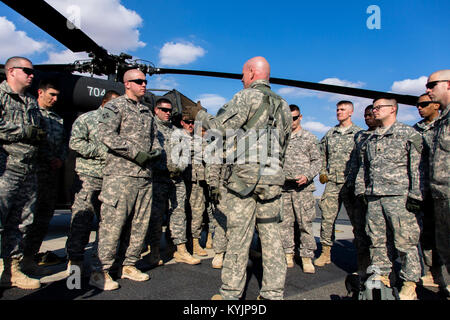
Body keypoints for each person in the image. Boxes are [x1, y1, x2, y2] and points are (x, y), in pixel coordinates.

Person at [186, 56, 292, 300]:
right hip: (273, 179)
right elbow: (284, 144)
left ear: (252, 73)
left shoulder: (245, 97)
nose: (242, 79)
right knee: (272, 239)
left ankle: (231, 294)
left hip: (245, 180)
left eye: (243, 74)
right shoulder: (284, 105)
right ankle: (273, 294)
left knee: (239, 238)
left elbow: (218, 128)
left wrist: (199, 114)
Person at [89, 69, 161, 290]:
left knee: (139, 224)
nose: (144, 85)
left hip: (144, 177)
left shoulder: (147, 112)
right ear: (127, 84)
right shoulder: (115, 106)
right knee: (113, 225)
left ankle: (128, 264)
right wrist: (135, 153)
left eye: (145, 81)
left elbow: (155, 139)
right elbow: (106, 135)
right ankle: (99, 271)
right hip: (121, 176)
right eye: (138, 81)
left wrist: (155, 151)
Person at [356, 97, 423, 300]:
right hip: (375, 196)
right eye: (373, 108)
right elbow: (363, 168)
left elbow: (416, 167)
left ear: (392, 109)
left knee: (405, 242)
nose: (374, 111)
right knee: (376, 241)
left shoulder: (408, 134)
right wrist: (362, 190)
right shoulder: (370, 138)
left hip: (399, 197)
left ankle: (410, 282)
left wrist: (415, 194)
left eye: (378, 107)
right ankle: (382, 275)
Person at [0, 56, 44, 289]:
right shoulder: (1, 95)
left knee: (22, 222)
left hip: (28, 169)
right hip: (5, 168)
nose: (31, 75)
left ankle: (12, 269)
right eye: (26, 70)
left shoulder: (30, 101)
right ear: (11, 71)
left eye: (32, 71)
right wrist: (23, 130)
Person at [65, 90, 120, 274]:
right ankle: (75, 260)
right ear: (104, 102)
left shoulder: (118, 123)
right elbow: (75, 143)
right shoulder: (87, 119)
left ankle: (101, 262)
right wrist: (99, 151)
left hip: (111, 179)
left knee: (107, 224)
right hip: (88, 177)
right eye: (113, 105)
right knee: (82, 222)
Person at [145, 97, 200, 266]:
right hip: (158, 179)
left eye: (170, 110)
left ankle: (181, 249)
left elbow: (185, 155)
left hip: (176, 180)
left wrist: (179, 168)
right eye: (164, 110)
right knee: (155, 216)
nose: (167, 113)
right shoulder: (150, 128)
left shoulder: (178, 132)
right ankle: (154, 251)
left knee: (179, 214)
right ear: (156, 110)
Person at [20, 79, 67, 275]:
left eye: (57, 96)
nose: (55, 99)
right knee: (24, 219)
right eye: (51, 95)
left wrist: (61, 159)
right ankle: (13, 260)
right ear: (40, 93)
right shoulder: (30, 113)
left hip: (50, 177)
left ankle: (30, 258)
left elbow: (64, 144)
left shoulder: (57, 119)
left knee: (43, 219)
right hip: (31, 175)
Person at [315, 101, 361, 267]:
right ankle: (326, 252)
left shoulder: (358, 134)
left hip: (351, 184)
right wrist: (322, 172)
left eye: (342, 110)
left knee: (357, 220)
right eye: (337, 110)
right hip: (333, 183)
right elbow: (321, 154)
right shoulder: (330, 134)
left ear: (351, 112)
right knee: (327, 219)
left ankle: (362, 256)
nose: (339, 112)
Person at [279, 104, 320, 273]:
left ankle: (306, 256)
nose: (292, 121)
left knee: (305, 224)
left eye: (294, 118)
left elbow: (317, 161)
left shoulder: (309, 138)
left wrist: (308, 175)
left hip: (303, 189)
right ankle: (288, 253)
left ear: (300, 117)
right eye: (288, 118)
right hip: (285, 188)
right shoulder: (281, 138)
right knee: (285, 224)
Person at [413, 94, 447, 291]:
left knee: (445, 235)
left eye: (424, 104)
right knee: (426, 235)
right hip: (423, 190)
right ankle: (432, 272)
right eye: (418, 105)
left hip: (443, 189)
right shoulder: (415, 130)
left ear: (436, 105)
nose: (419, 108)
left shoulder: (445, 125)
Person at [346, 105, 379, 276]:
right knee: (360, 233)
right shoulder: (360, 137)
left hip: (380, 193)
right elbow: (354, 164)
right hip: (360, 193)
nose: (367, 118)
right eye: (365, 115)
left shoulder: (389, 135)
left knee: (379, 236)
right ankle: (363, 267)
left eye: (370, 115)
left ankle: (382, 272)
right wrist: (351, 186)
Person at [426, 70, 450, 279]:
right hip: (441, 197)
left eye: (432, 85)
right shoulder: (442, 121)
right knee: (445, 249)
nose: (428, 90)